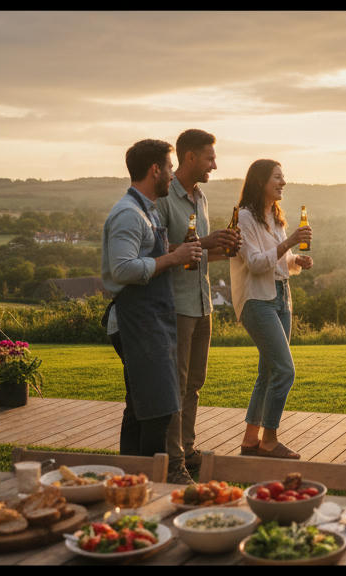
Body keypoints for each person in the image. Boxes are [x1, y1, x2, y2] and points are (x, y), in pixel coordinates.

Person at [101, 139, 202, 457]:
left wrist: (180, 251)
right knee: (157, 411)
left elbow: (146, 256)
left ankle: (130, 478)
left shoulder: (147, 212)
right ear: (155, 169)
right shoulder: (129, 214)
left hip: (151, 321)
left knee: (139, 410)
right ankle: (152, 479)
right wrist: (174, 258)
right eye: (170, 167)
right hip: (136, 323)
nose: (173, 175)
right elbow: (122, 269)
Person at [158, 129, 241, 483]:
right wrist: (206, 241)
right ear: (189, 157)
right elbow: (161, 251)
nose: (215, 165)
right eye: (209, 158)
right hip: (176, 303)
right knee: (175, 386)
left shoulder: (201, 197)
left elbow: (202, 253)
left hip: (203, 302)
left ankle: (187, 449)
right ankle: (172, 463)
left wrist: (225, 249)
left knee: (195, 383)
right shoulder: (163, 198)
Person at [230, 159, 312, 459]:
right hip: (256, 299)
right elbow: (254, 263)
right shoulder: (244, 218)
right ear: (260, 180)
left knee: (267, 371)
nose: (283, 182)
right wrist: (290, 241)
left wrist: (296, 261)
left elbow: (280, 260)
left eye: (283, 176)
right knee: (284, 370)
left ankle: (251, 440)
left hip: (280, 295)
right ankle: (270, 440)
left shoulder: (275, 217)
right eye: (277, 177)